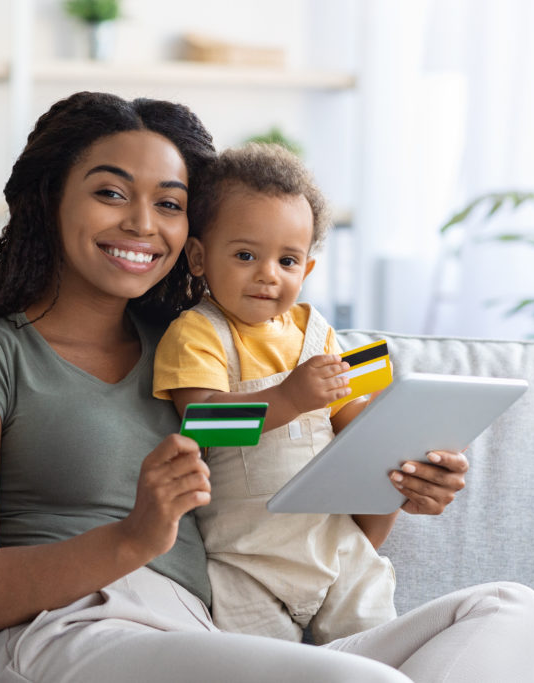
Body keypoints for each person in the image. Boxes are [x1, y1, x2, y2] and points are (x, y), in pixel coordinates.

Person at [0, 90, 534, 683]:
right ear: (49, 197)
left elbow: (312, 517)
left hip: (207, 632)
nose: (144, 222)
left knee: (517, 613)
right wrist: (133, 538)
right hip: (70, 633)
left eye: (169, 202)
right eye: (112, 193)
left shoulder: (204, 342)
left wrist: (393, 477)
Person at [153, 142, 397, 643]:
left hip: (336, 548)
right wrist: (289, 399)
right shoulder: (197, 332)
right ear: (199, 257)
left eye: (287, 260)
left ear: (307, 269)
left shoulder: (319, 332)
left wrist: (401, 438)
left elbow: (354, 423)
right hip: (247, 562)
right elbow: (202, 424)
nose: (268, 274)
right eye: (246, 255)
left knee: (380, 649)